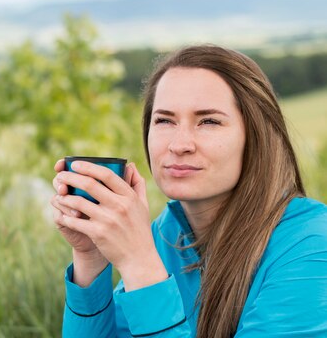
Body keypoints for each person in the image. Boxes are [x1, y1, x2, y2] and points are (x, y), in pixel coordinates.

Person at [51, 45, 327, 337]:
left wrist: (140, 264)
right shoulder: (165, 236)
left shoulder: (311, 246)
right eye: (164, 120)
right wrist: (90, 260)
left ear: (257, 136)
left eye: (208, 121)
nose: (179, 144)